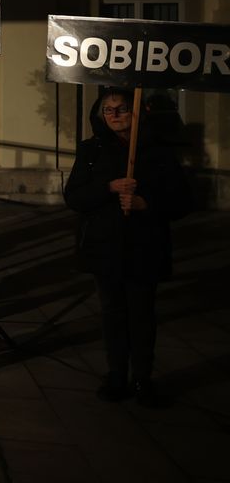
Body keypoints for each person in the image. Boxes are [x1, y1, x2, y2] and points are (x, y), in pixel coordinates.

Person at [64, 87, 190, 406]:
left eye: (122, 109)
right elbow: (75, 197)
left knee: (142, 315)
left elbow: (183, 200)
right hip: (105, 247)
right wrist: (108, 187)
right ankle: (116, 376)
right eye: (109, 110)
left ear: (137, 113)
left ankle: (142, 379)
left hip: (143, 246)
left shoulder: (158, 152)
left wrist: (147, 203)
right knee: (113, 315)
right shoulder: (91, 150)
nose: (116, 116)